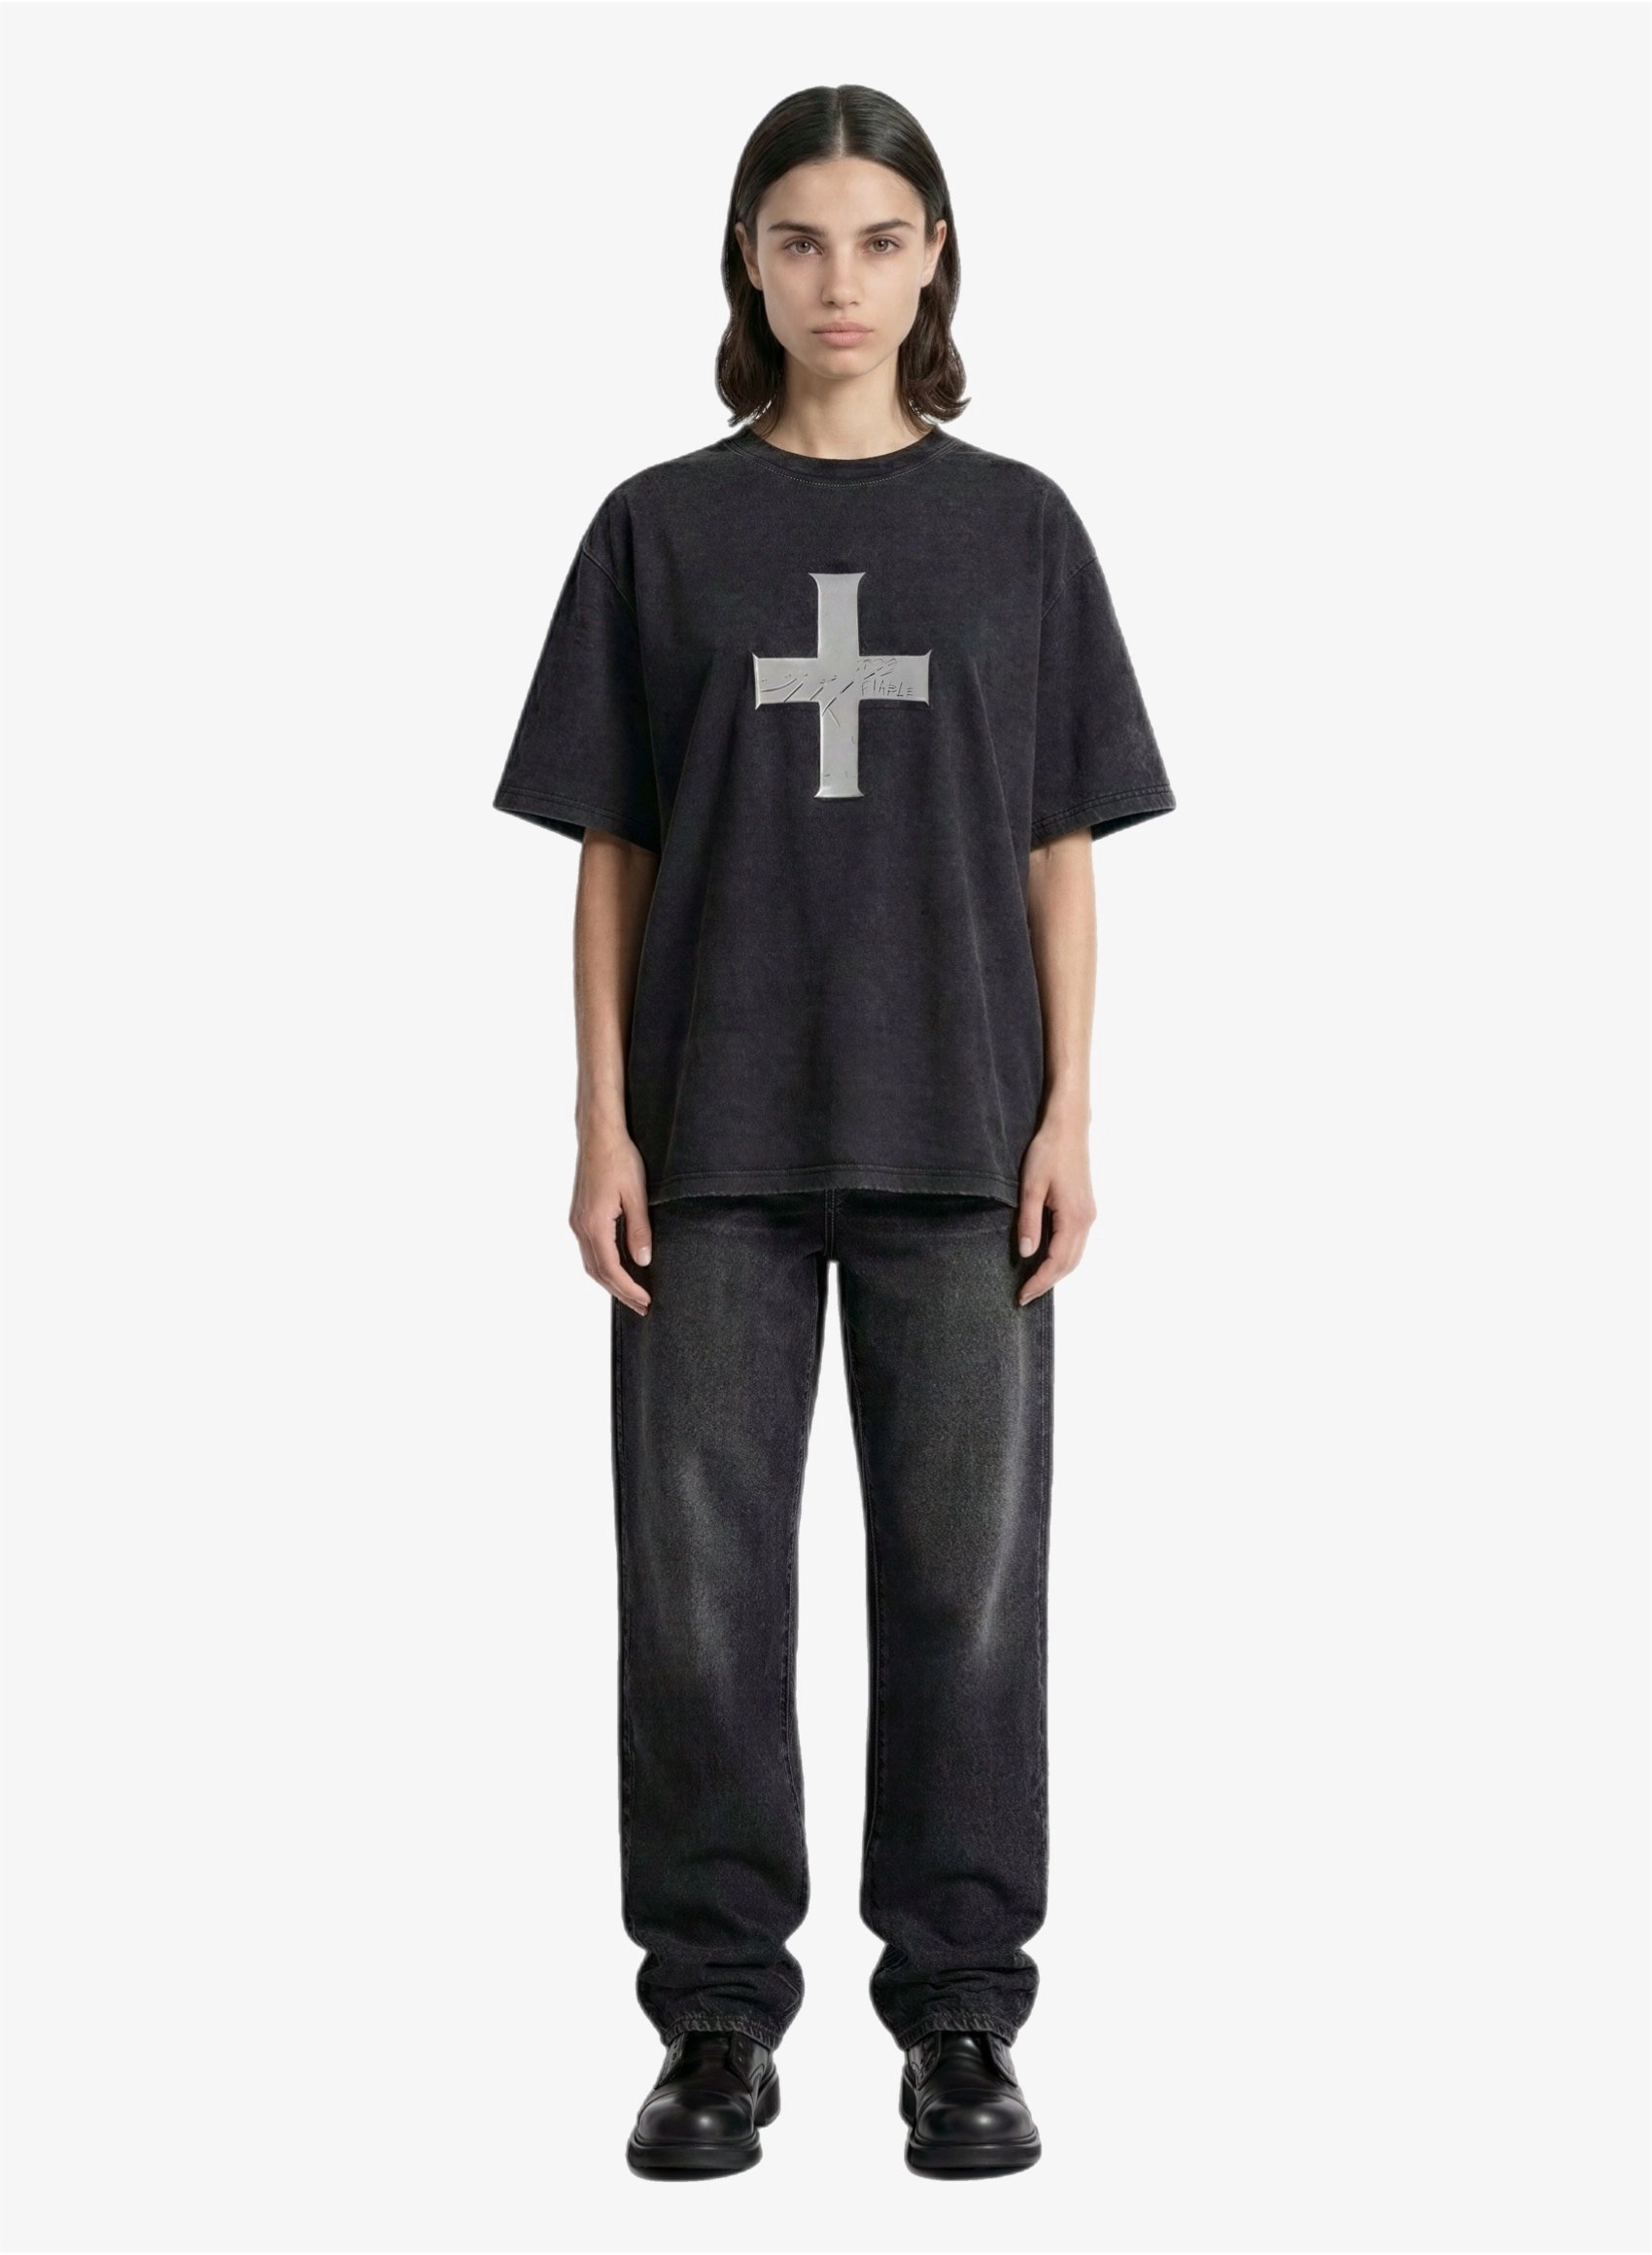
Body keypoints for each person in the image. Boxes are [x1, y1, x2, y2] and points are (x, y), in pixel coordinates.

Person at [491, 83, 1176, 2180]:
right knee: (699, 1599)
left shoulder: (1020, 529)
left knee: (965, 1589)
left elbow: (1059, 844)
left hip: (960, 1135)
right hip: (707, 1140)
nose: (841, 282)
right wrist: (600, 1116)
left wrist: (1071, 1108)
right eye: (800, 240)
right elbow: (611, 847)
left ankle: (960, 2021)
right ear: (747, 260)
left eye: (881, 239)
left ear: (935, 255)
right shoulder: (658, 529)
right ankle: (715, 2022)